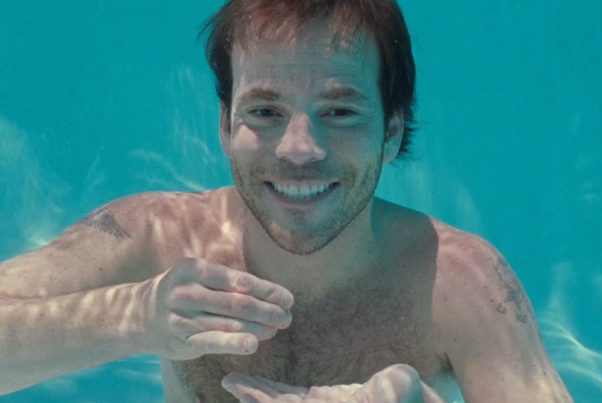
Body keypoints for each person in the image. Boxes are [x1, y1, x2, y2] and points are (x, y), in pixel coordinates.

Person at [0, 0, 571, 401]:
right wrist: (137, 316)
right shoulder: (161, 236)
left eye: (340, 112)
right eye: (266, 112)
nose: (300, 149)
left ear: (393, 132)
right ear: (225, 126)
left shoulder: (460, 282)